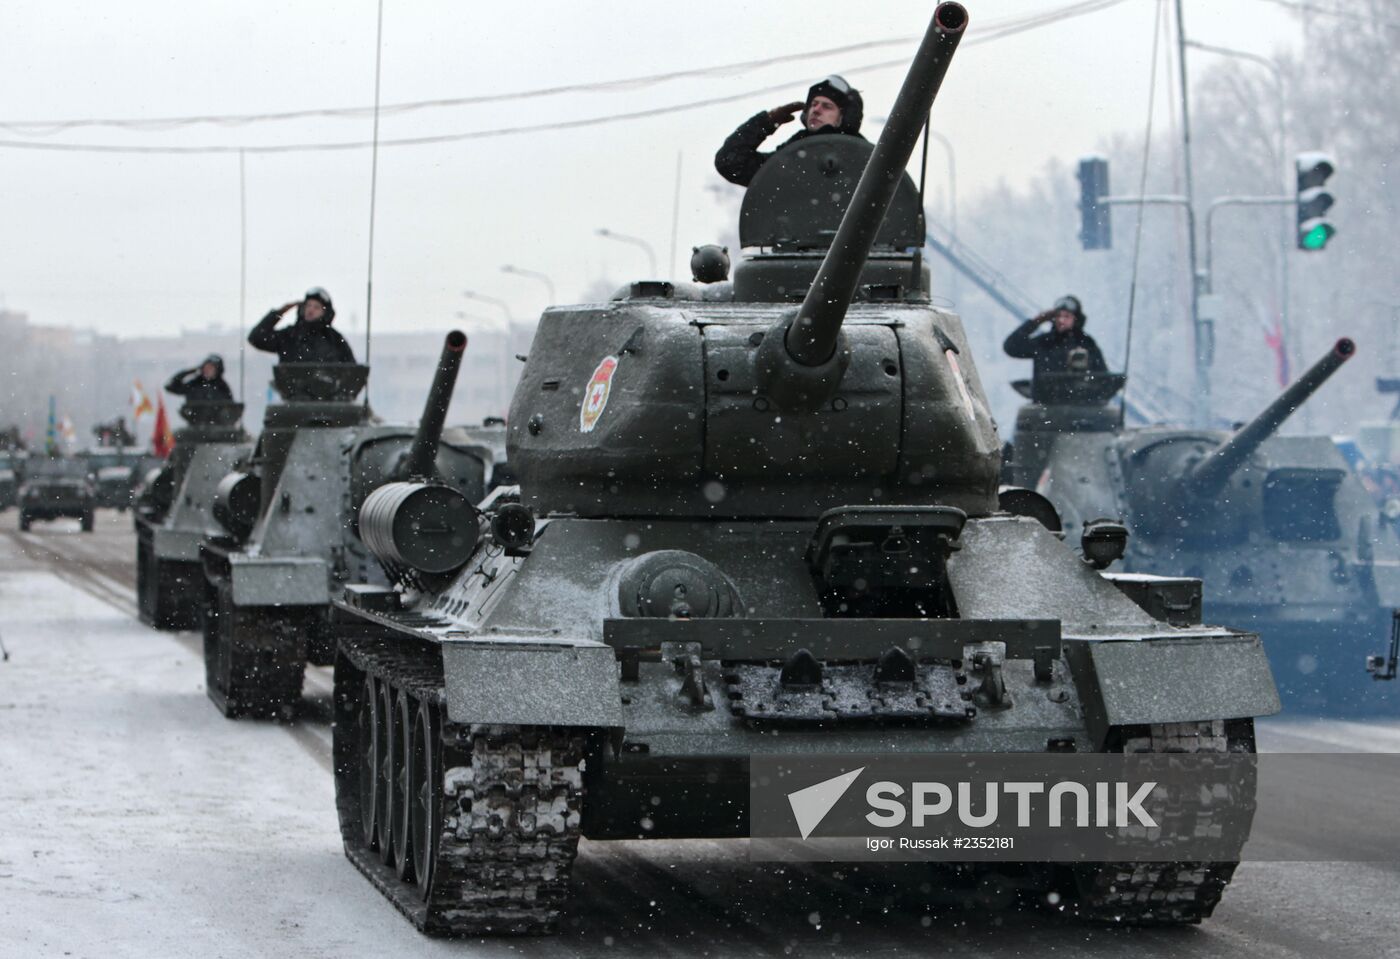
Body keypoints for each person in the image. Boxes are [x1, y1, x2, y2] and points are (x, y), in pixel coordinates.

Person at [715, 75, 866, 187]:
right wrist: (766, 122)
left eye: (827, 106)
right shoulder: (793, 155)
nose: (816, 110)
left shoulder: (864, 158)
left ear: (843, 117)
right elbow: (731, 163)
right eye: (813, 104)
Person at [1003, 296, 1107, 380]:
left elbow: (1102, 376)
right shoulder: (1044, 342)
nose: (1061, 320)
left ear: (1075, 319)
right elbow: (1011, 347)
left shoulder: (1086, 343)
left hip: (1079, 403)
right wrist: (1037, 321)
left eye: (1066, 316)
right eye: (1058, 316)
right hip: (1045, 402)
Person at [247, 287, 356, 364]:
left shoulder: (334, 339)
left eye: (316, 307)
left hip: (328, 396)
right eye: (308, 305)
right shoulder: (290, 336)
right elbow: (256, 338)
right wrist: (280, 312)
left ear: (325, 312)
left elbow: (352, 372)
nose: (311, 309)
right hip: (294, 394)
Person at [165, 354, 234, 402]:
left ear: (217, 370)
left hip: (218, 422)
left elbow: (230, 408)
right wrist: (191, 371)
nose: (207, 370)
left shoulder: (222, 387)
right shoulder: (195, 383)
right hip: (195, 421)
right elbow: (171, 386)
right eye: (205, 367)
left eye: (211, 368)